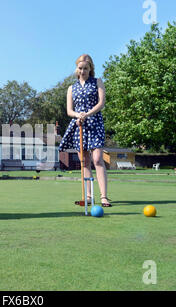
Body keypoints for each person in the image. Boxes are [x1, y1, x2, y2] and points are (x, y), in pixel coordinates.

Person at [58, 54, 112, 207]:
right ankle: (88, 196)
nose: (83, 71)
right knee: (85, 161)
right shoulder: (71, 88)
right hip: (79, 125)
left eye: (86, 68)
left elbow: (101, 103)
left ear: (90, 69)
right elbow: (69, 110)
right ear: (77, 69)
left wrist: (87, 114)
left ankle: (104, 197)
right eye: (80, 68)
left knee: (97, 159)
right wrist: (78, 115)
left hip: (95, 123)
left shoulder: (97, 82)